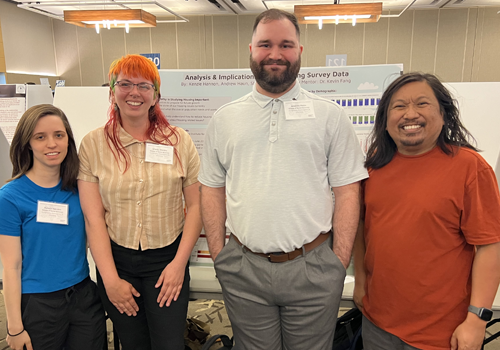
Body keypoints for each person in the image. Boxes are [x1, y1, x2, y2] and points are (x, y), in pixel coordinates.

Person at [199, 9, 368, 350]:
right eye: (265, 44)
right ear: (251, 49)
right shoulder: (224, 119)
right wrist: (220, 255)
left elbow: (349, 192)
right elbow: (212, 189)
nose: (275, 54)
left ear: (300, 51)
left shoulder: (329, 116)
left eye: (286, 45)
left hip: (314, 268)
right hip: (244, 269)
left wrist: (338, 260)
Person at [353, 72, 500, 350]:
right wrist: (361, 282)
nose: (410, 114)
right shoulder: (373, 167)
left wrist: (477, 320)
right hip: (377, 324)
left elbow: (490, 246)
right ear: (385, 120)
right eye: (398, 106)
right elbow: (363, 228)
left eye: (422, 104)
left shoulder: (470, 168)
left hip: (442, 333)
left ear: (444, 115)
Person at [78, 55, 202, 350]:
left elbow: (196, 208)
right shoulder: (93, 145)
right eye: (125, 84)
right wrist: (109, 280)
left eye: (144, 85)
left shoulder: (178, 141)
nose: (134, 92)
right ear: (111, 92)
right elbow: (94, 219)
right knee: (134, 344)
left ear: (156, 95)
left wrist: (177, 265)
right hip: (117, 262)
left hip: (167, 261)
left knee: (169, 344)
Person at [0, 104, 106, 350]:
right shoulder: (10, 197)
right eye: (40, 137)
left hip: (83, 298)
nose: (52, 144)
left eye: (59, 135)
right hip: (38, 306)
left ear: (68, 139)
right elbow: (11, 266)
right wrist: (14, 328)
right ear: (27, 143)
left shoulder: (82, 188)